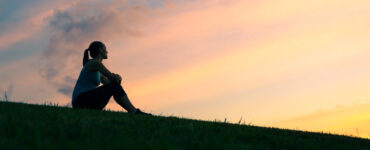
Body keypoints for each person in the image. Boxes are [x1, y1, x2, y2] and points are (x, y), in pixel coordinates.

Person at [71, 41, 152, 115]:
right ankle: (134, 111)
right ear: (100, 50)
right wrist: (116, 77)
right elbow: (112, 78)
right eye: (105, 49)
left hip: (83, 101)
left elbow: (110, 84)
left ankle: (133, 111)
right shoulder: (95, 63)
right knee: (114, 86)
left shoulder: (97, 70)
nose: (107, 51)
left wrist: (116, 81)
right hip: (81, 100)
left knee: (114, 86)